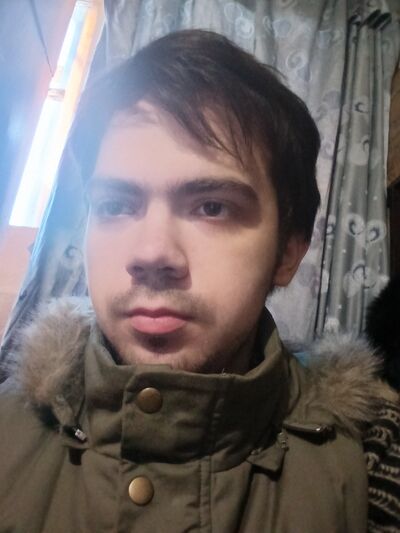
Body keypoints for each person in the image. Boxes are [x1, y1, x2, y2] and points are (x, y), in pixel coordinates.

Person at [0, 30, 381, 532]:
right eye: (116, 205)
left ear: (288, 252)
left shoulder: (368, 467)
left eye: (212, 207)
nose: (152, 253)